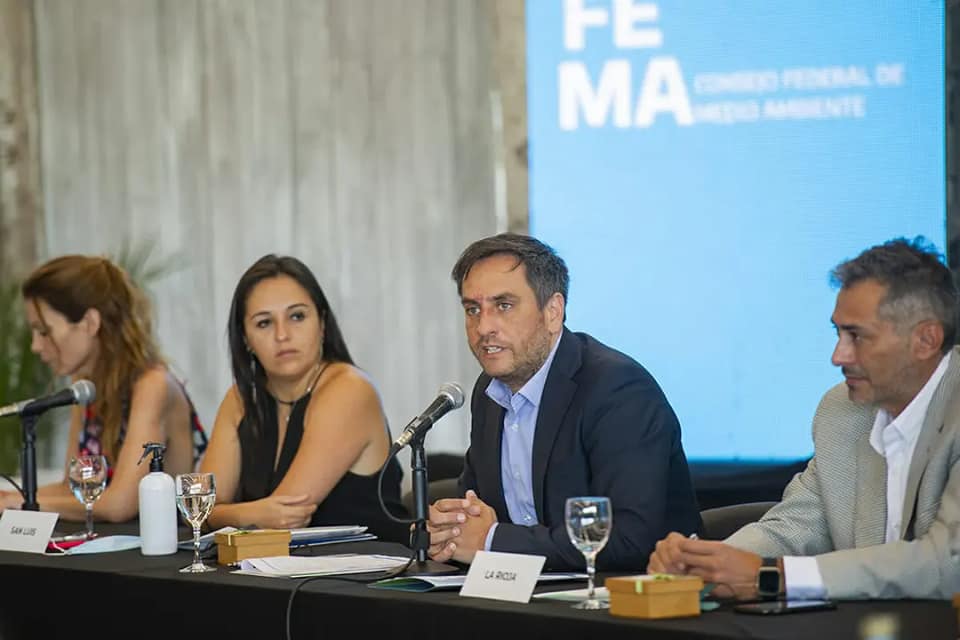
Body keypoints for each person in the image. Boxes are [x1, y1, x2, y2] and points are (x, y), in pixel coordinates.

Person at [648, 237, 960, 600]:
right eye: (838, 333)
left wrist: (775, 577)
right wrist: (702, 564)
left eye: (857, 336)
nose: (838, 356)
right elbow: (796, 526)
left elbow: (947, 562)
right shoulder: (841, 410)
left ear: (926, 340)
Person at [427, 233, 701, 570]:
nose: (483, 327)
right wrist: (451, 527)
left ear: (553, 312)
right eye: (472, 309)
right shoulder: (490, 392)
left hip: (630, 594)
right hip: (529, 592)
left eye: (504, 306)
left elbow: (630, 537)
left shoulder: (617, 389)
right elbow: (476, 510)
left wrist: (492, 541)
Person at [200, 255, 409, 542]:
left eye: (297, 316)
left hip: (367, 565)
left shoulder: (350, 390)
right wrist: (250, 513)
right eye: (264, 323)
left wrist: (227, 514)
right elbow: (199, 508)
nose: (282, 335)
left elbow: (286, 519)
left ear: (322, 323)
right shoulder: (241, 398)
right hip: (271, 565)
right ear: (245, 339)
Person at [0, 255, 207, 521]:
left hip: (167, 541)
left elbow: (120, 504)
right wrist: (7, 497)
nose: (35, 346)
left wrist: (22, 503)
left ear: (90, 323)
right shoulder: (85, 387)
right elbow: (72, 489)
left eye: (44, 331)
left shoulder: (152, 385)